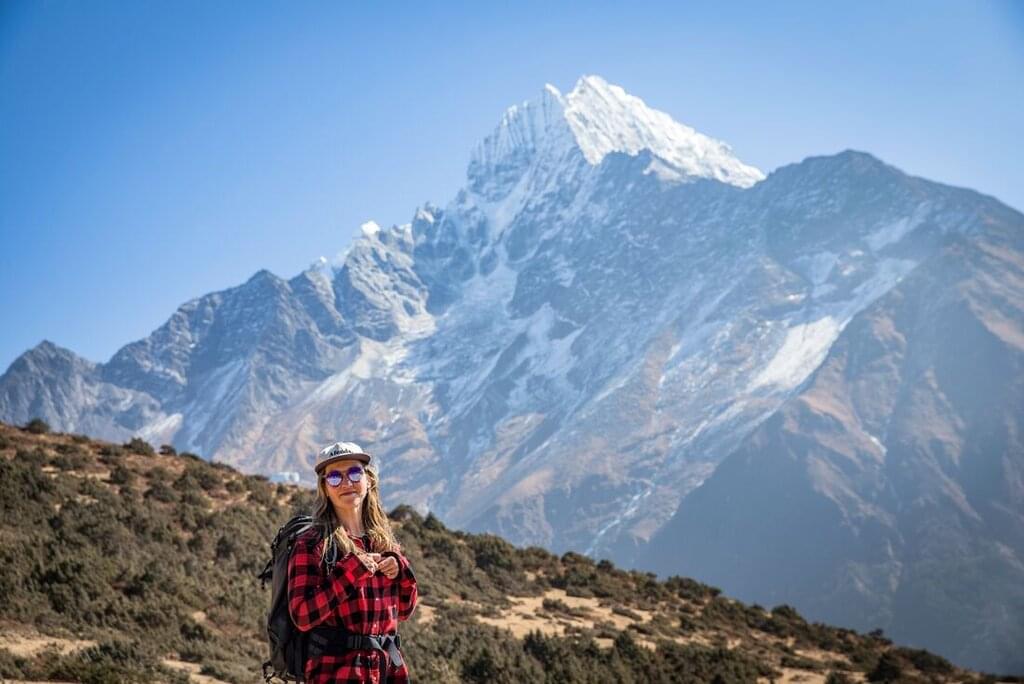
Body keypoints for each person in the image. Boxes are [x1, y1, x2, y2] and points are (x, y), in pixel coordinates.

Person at [287, 441, 418, 683]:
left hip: (388, 672)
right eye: (335, 477)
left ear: (368, 480)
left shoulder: (384, 543)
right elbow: (302, 616)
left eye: (355, 473)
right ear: (325, 488)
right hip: (338, 674)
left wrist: (401, 570)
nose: (347, 482)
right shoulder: (312, 543)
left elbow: (405, 610)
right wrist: (352, 571)